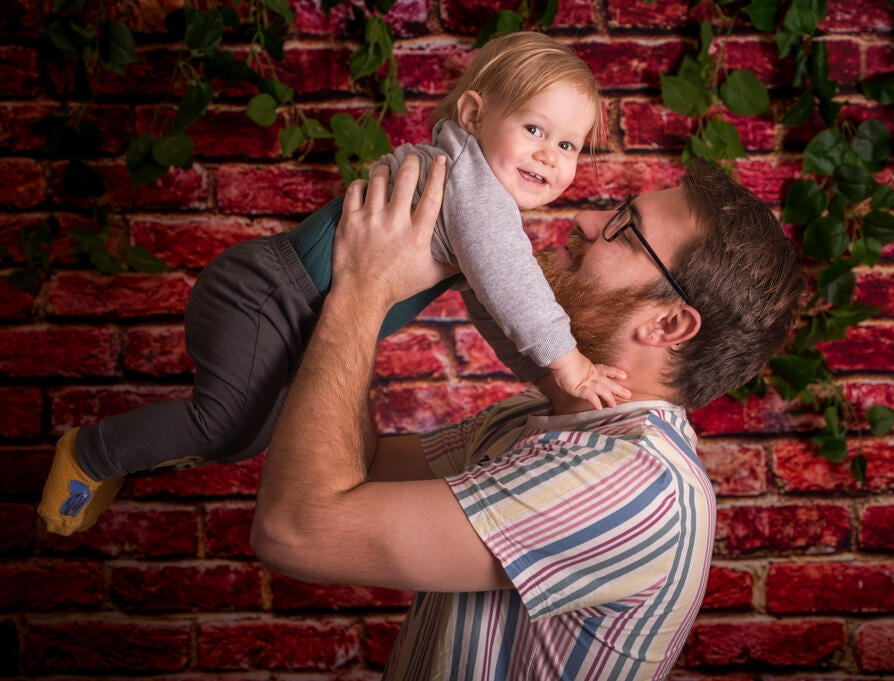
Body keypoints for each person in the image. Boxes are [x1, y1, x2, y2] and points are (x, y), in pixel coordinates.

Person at [38, 32, 630, 536]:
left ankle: (128, 456)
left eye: (568, 145)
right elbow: (513, 283)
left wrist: (545, 378)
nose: (549, 156)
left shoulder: (480, 211)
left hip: (289, 319)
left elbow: (496, 309)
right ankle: (92, 452)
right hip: (264, 295)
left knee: (247, 437)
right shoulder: (468, 185)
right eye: (533, 127)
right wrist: (569, 364)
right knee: (222, 422)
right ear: (474, 116)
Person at [250, 153, 805, 679]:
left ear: (666, 325)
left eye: (624, 229)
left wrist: (363, 289)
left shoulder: (630, 483)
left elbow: (293, 530)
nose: (587, 219)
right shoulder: (542, 418)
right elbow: (356, 464)